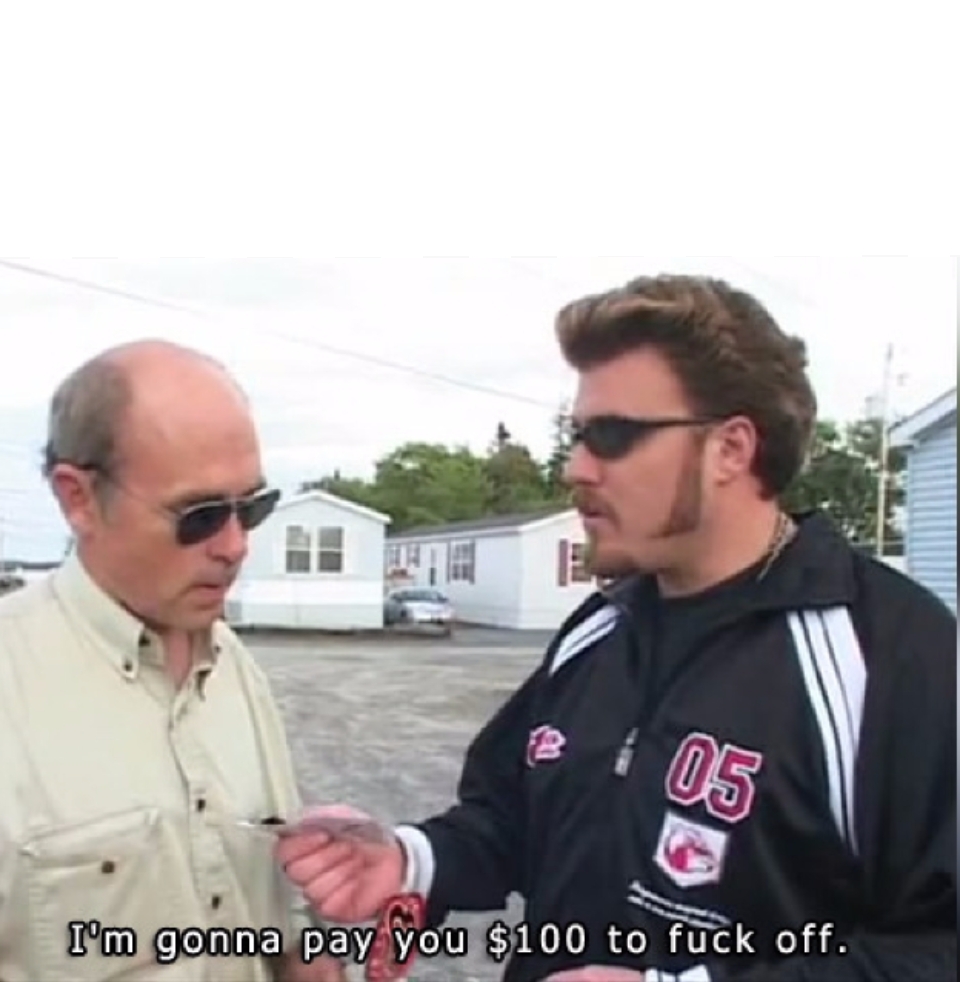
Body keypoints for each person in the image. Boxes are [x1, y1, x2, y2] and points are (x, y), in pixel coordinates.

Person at [277, 275, 957, 982]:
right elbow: (507, 822)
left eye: (612, 436)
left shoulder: (890, 656)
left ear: (731, 448)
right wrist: (408, 861)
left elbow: (938, 946)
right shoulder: (599, 629)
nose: (576, 468)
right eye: (578, 436)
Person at [0, 341, 344, 982]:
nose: (235, 545)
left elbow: (275, 905)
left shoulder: (235, 668)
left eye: (252, 508)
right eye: (200, 516)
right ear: (78, 498)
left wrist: (305, 951)